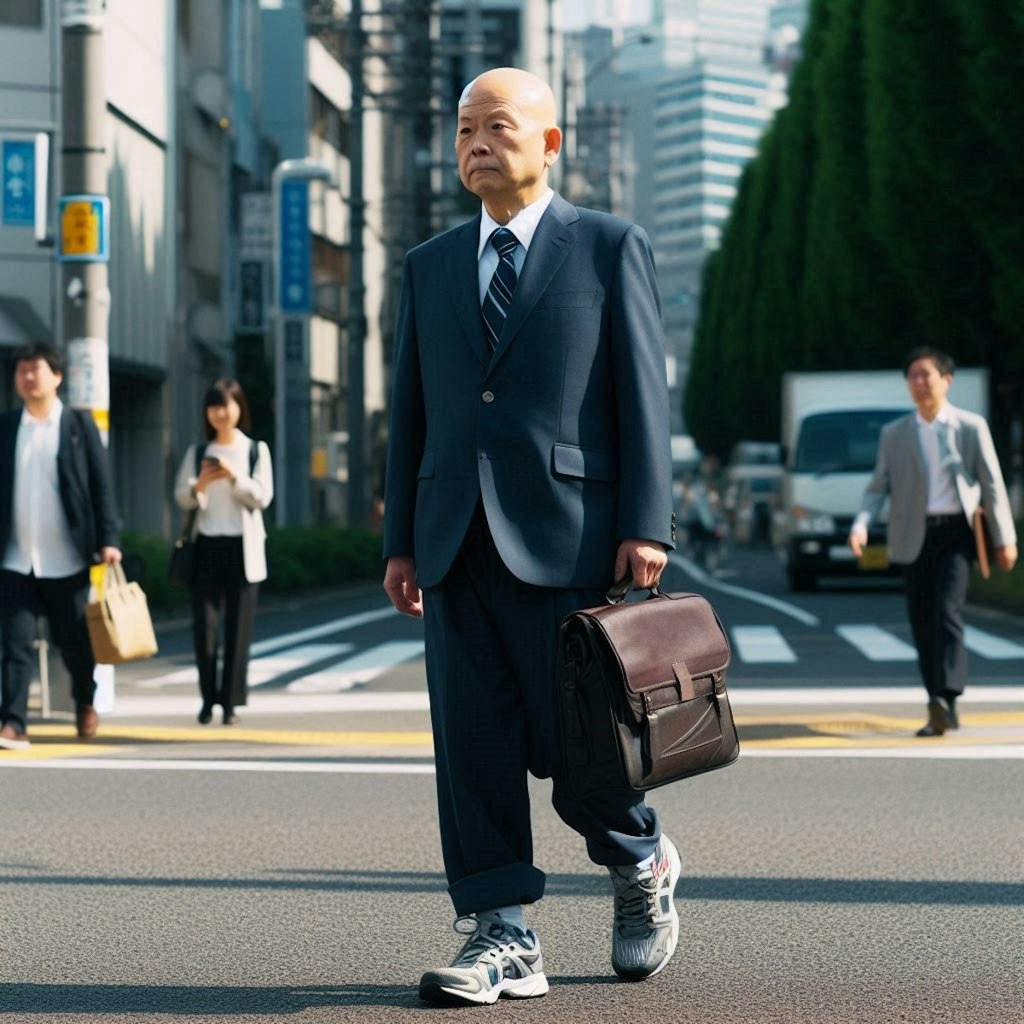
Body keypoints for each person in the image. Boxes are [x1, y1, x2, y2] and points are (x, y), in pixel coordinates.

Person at [383, 67, 678, 1006]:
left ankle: (638, 861)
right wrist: (400, 538)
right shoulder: (428, 266)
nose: (475, 142)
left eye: (497, 126)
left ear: (550, 144)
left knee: (582, 749)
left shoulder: (606, 247)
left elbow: (642, 396)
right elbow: (416, 413)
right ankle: (502, 931)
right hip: (454, 539)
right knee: (470, 743)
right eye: (465, 126)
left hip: (573, 538)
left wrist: (645, 524)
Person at [849, 347, 1017, 736]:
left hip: (956, 533)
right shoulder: (895, 434)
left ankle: (949, 694)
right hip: (913, 535)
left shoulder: (970, 427)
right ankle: (936, 702)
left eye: (927, 374)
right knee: (922, 619)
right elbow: (877, 488)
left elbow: (992, 484)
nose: (920, 383)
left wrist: (1005, 539)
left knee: (947, 611)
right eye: (913, 376)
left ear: (947, 380)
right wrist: (860, 525)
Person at [0, 342, 122, 750]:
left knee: (73, 643)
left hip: (66, 558)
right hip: (16, 557)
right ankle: (13, 723)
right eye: (22, 371)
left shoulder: (75, 425)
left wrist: (109, 539)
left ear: (57, 377)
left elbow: (103, 485)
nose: (28, 377)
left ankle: (84, 700)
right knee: (14, 642)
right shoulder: (6, 426)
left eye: (35, 369)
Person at [174, 379, 273, 726]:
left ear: (239, 408)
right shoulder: (198, 452)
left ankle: (230, 703)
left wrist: (234, 478)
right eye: (214, 406)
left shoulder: (255, 450)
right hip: (206, 546)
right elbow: (181, 497)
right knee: (205, 628)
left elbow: (263, 496)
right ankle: (207, 699)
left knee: (238, 630)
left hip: (243, 549)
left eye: (227, 405)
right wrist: (199, 485)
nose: (221, 412)